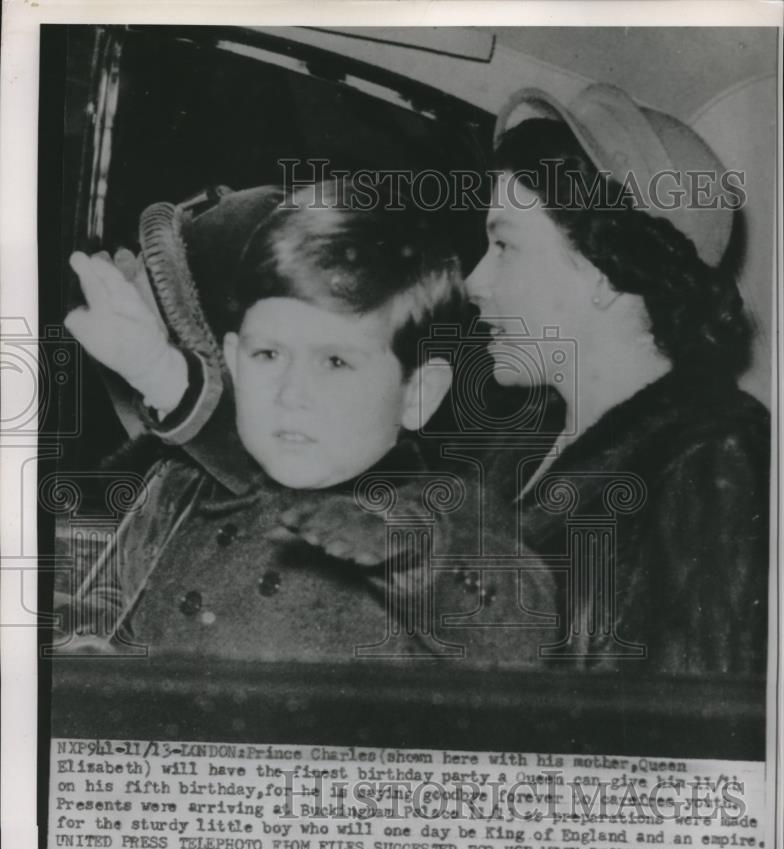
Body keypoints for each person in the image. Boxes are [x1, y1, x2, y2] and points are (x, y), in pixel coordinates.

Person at [60, 182, 556, 665]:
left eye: (336, 362)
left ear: (418, 395)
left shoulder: (436, 516)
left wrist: (412, 555)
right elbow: (129, 615)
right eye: (268, 354)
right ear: (232, 360)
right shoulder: (182, 489)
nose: (291, 393)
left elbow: (518, 626)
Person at [465, 83, 769, 674]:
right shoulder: (519, 449)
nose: (475, 280)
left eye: (504, 245)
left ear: (606, 269)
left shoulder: (715, 460)